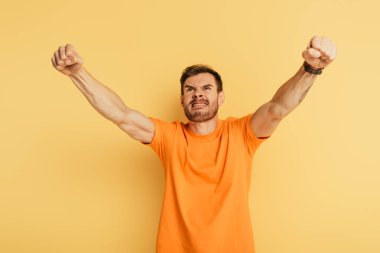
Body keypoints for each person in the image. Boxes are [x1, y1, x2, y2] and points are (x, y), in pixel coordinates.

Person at [51, 36, 336, 253]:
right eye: (190, 90)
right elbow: (120, 114)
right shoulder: (168, 137)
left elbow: (278, 107)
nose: (197, 95)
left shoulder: (242, 134)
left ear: (220, 97)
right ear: (182, 99)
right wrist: (77, 73)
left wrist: (311, 69)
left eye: (206, 89)